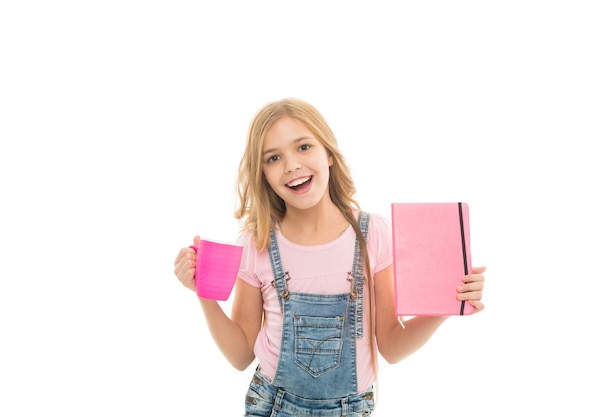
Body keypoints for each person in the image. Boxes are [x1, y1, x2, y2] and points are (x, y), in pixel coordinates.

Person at [173, 98, 486, 416]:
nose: (292, 164)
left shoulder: (372, 235)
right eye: (273, 157)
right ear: (262, 173)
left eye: (304, 147)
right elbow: (240, 356)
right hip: (272, 405)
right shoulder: (256, 244)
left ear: (330, 154)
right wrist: (204, 295)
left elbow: (392, 345)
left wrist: (449, 304)